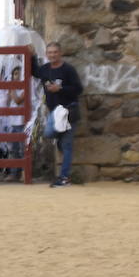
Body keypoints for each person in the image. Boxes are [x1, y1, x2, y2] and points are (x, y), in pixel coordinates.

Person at [38, 41, 81, 187]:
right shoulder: (44, 69)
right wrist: (30, 55)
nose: (53, 55)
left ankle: (64, 177)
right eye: (50, 52)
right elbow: (33, 71)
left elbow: (78, 89)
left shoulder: (69, 70)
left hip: (69, 110)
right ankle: (60, 141)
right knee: (49, 133)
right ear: (46, 54)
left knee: (67, 145)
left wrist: (60, 89)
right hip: (54, 112)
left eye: (55, 52)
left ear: (60, 53)